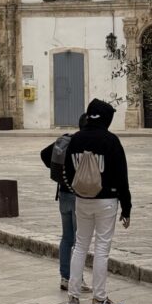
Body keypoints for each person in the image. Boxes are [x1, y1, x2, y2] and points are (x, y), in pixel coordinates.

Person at [63, 99, 131, 304]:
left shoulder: (76, 139)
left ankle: (73, 296)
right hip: (106, 200)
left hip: (82, 199)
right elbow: (121, 176)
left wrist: (77, 190)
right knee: (102, 248)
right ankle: (99, 299)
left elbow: (67, 170)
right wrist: (126, 207)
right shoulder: (110, 141)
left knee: (80, 245)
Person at [54, 115, 92, 294]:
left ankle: (65, 277)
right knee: (79, 241)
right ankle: (78, 279)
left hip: (63, 194)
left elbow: (45, 155)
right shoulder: (84, 143)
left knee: (66, 238)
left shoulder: (67, 140)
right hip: (78, 196)